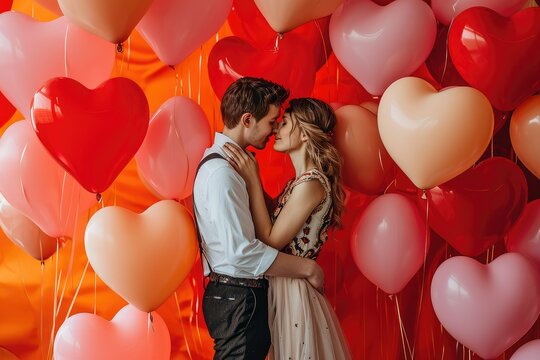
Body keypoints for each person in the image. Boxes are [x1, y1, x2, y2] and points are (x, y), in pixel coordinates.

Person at [192, 77, 325, 360]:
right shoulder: (222, 174)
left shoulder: (232, 167)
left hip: (239, 295)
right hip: (238, 296)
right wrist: (307, 268)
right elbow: (242, 252)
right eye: (271, 121)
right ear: (248, 120)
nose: (274, 129)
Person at [223, 97, 352, 359]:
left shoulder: (311, 184)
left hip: (293, 292)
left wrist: (252, 179)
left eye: (284, 124)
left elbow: (270, 239)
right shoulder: (301, 182)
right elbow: (274, 218)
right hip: (284, 286)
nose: (275, 131)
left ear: (304, 133)